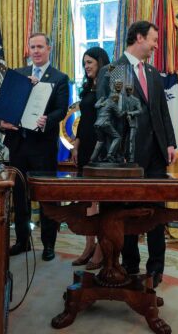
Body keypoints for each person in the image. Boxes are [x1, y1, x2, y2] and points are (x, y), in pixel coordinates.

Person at [96, 20, 177, 288]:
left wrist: (170, 143)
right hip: (127, 156)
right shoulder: (114, 70)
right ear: (139, 38)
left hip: (156, 154)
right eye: (153, 40)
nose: (156, 46)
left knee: (156, 212)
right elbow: (110, 113)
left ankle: (156, 268)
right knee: (128, 212)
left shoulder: (152, 72)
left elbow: (162, 111)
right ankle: (130, 265)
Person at [1, 33, 69, 262]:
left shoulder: (59, 78)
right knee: (20, 196)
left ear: (49, 48)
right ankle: (22, 241)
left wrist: (47, 119)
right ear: (28, 50)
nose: (36, 51)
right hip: (18, 144)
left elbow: (61, 109)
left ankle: (49, 244)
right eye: (33, 47)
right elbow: (8, 103)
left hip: (43, 147)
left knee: (47, 196)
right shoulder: (18, 75)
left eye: (40, 47)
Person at [70, 47, 110, 269]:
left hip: (102, 148)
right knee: (86, 199)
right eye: (84, 63)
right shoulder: (87, 88)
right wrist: (76, 144)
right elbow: (84, 119)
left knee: (99, 200)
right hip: (85, 146)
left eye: (90, 62)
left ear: (100, 62)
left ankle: (102, 250)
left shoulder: (109, 87)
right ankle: (89, 246)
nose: (86, 66)